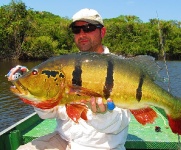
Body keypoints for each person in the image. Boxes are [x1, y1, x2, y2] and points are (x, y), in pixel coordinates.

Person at [7, 8, 131, 150]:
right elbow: (48, 114)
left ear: (102, 32)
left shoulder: (121, 68)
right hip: (62, 140)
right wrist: (33, 92)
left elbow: (118, 125)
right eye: (76, 30)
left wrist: (102, 114)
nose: (82, 34)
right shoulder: (65, 66)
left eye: (88, 28)